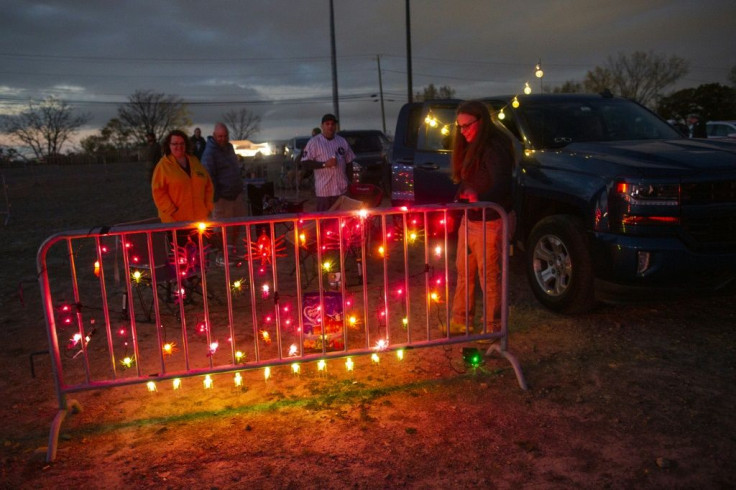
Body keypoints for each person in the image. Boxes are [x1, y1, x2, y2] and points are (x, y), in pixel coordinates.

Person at [449, 100, 514, 334]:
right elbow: (469, 181)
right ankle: (460, 321)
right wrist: (461, 197)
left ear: (482, 121)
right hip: (470, 220)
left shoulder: (494, 147)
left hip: (490, 223)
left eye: (467, 125)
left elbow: (503, 185)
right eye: (460, 127)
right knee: (464, 272)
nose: (463, 131)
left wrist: (480, 198)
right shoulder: (470, 146)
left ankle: (492, 328)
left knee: (489, 277)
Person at [200, 122, 247, 253]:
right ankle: (222, 252)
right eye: (220, 136)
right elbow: (208, 175)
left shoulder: (229, 148)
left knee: (238, 222)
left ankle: (232, 247)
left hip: (235, 193)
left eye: (225, 136)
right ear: (214, 135)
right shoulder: (210, 153)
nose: (223, 139)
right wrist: (216, 196)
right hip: (222, 197)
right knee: (221, 226)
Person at [151, 129, 213, 224]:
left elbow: (208, 186)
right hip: (174, 222)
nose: (179, 146)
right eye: (175, 144)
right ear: (169, 145)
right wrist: (171, 210)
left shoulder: (195, 162)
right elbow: (158, 192)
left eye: (182, 143)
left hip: (199, 220)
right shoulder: (163, 166)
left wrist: (208, 207)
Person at [299, 114, 356, 211]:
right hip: (324, 192)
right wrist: (324, 164)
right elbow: (304, 163)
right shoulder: (314, 142)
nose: (330, 126)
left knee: (343, 221)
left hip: (341, 190)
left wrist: (350, 182)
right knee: (325, 222)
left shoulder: (342, 141)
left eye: (333, 124)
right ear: (322, 126)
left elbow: (349, 162)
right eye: (327, 124)